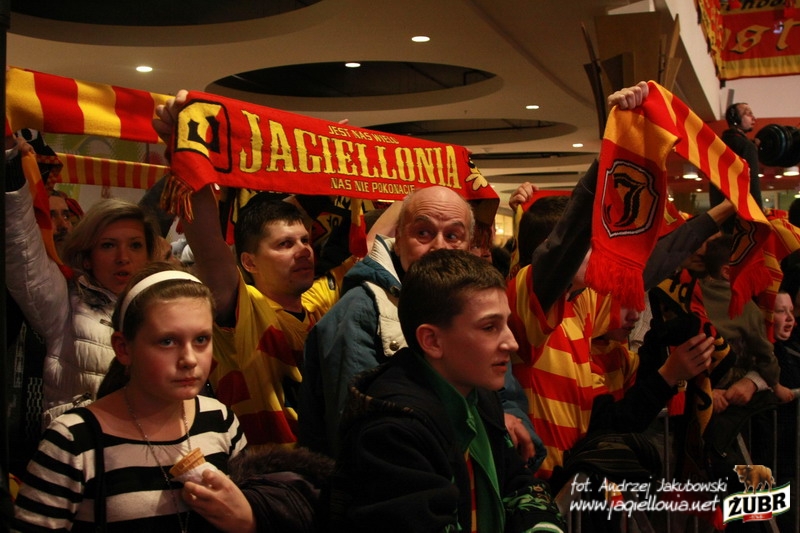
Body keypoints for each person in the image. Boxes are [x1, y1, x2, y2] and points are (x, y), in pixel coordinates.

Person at [327, 249, 564, 532]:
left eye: (506, 323)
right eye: (490, 327)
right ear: (432, 341)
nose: (511, 343)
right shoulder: (392, 431)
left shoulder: (476, 393)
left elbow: (517, 482)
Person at [298, 186, 537, 462]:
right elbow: (358, 434)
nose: (438, 247)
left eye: (453, 236)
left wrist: (508, 419)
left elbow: (503, 392)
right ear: (398, 240)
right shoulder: (361, 310)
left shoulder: (468, 301)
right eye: (423, 233)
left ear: (468, 246)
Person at [14, 263, 249, 532]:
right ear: (124, 348)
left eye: (201, 340)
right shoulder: (74, 440)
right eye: (167, 341)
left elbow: (252, 503)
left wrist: (247, 520)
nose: (189, 359)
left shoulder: (220, 419)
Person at [5, 135, 160, 425]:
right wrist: (11, 163)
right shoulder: (65, 303)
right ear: (87, 257)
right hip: (81, 447)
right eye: (108, 245)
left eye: (135, 245)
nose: (123, 257)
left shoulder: (163, 306)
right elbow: (22, 249)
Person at [699, 234, 794, 412]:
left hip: (696, 383)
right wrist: (776, 384)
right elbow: (764, 352)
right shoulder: (745, 306)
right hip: (725, 386)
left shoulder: (691, 292)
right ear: (727, 272)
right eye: (751, 267)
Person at [710, 102, 762, 210]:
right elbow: (753, 183)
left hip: (719, 210)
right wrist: (758, 212)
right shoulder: (747, 146)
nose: (753, 118)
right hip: (741, 211)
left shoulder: (718, 145)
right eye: (748, 114)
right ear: (736, 119)